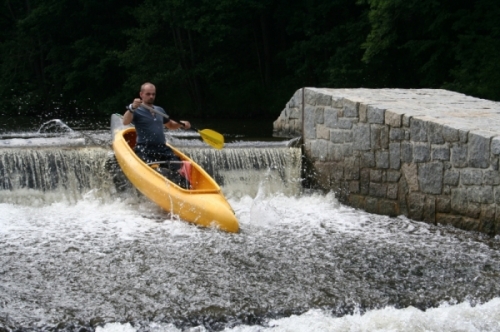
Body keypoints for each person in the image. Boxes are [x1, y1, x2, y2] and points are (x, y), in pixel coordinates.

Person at [123, 82, 192, 188]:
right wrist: (132, 107)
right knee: (156, 172)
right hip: (144, 149)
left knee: (181, 168)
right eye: (148, 94)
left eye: (153, 94)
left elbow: (170, 125)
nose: (151, 96)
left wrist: (181, 124)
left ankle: (184, 188)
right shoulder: (136, 110)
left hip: (162, 149)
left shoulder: (159, 110)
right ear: (141, 94)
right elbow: (125, 121)